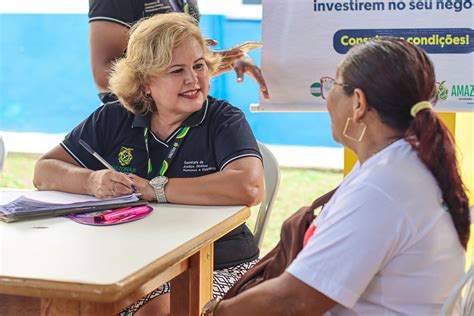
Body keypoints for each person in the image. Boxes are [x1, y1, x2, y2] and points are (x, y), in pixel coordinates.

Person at [202, 37, 471, 315]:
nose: (328, 95)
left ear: (358, 103)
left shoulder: (383, 187)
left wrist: (215, 312)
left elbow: (293, 301)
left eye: (334, 85)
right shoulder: (402, 164)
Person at [34, 12, 264, 315]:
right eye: (176, 71)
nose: (192, 79)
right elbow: (45, 170)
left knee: (157, 311)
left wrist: (157, 189)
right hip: (128, 263)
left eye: (198, 66)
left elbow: (248, 185)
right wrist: (92, 181)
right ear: (144, 83)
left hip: (216, 262)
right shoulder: (116, 116)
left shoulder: (223, 120)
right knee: (60, 302)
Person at [89, 0, 270, 102]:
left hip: (180, 117)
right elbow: (103, 75)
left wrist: (220, 59)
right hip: (135, 117)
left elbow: (180, 60)